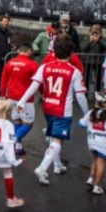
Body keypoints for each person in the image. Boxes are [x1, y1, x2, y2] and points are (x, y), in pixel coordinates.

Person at [17, 40, 88, 186]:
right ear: (71, 54)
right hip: (62, 109)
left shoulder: (45, 67)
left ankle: (57, 165)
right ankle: (42, 168)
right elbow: (80, 95)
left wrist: (22, 101)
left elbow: (34, 85)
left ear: (54, 52)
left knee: (52, 134)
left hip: (48, 106)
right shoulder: (74, 72)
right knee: (58, 140)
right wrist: (87, 114)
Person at [0, 44, 39, 156]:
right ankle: (13, 139)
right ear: (29, 51)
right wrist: (43, 93)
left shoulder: (10, 62)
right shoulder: (32, 64)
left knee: (17, 121)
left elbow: (3, 78)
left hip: (11, 96)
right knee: (28, 123)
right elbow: (38, 81)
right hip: (26, 99)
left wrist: (2, 94)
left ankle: (18, 146)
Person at [80, 93, 106, 195]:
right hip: (103, 144)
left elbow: (81, 124)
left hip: (92, 141)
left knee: (95, 160)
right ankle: (97, 187)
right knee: (101, 163)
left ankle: (91, 178)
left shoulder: (91, 113)